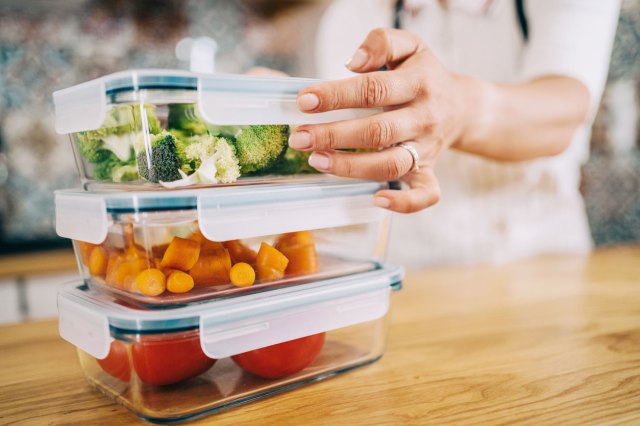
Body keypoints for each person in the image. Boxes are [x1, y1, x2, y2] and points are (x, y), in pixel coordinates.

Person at [286, 0, 620, 267]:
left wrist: (456, 110)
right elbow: (356, 148)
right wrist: (287, 122)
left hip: (545, 266)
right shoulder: (351, 13)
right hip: (413, 272)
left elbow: (565, 111)